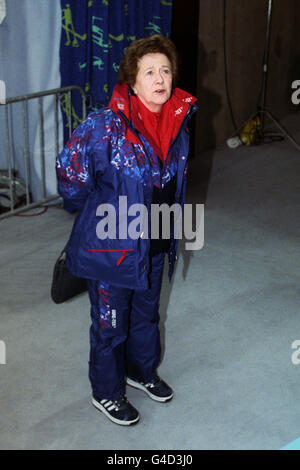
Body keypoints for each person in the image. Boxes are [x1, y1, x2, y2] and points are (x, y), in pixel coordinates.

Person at [56, 34, 198, 426]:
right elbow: (71, 177)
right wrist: (97, 217)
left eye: (165, 70)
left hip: (155, 241)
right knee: (110, 324)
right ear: (132, 81)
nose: (160, 78)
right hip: (113, 249)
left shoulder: (178, 123)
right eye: (149, 71)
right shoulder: (104, 128)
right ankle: (106, 392)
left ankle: (141, 371)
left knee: (146, 316)